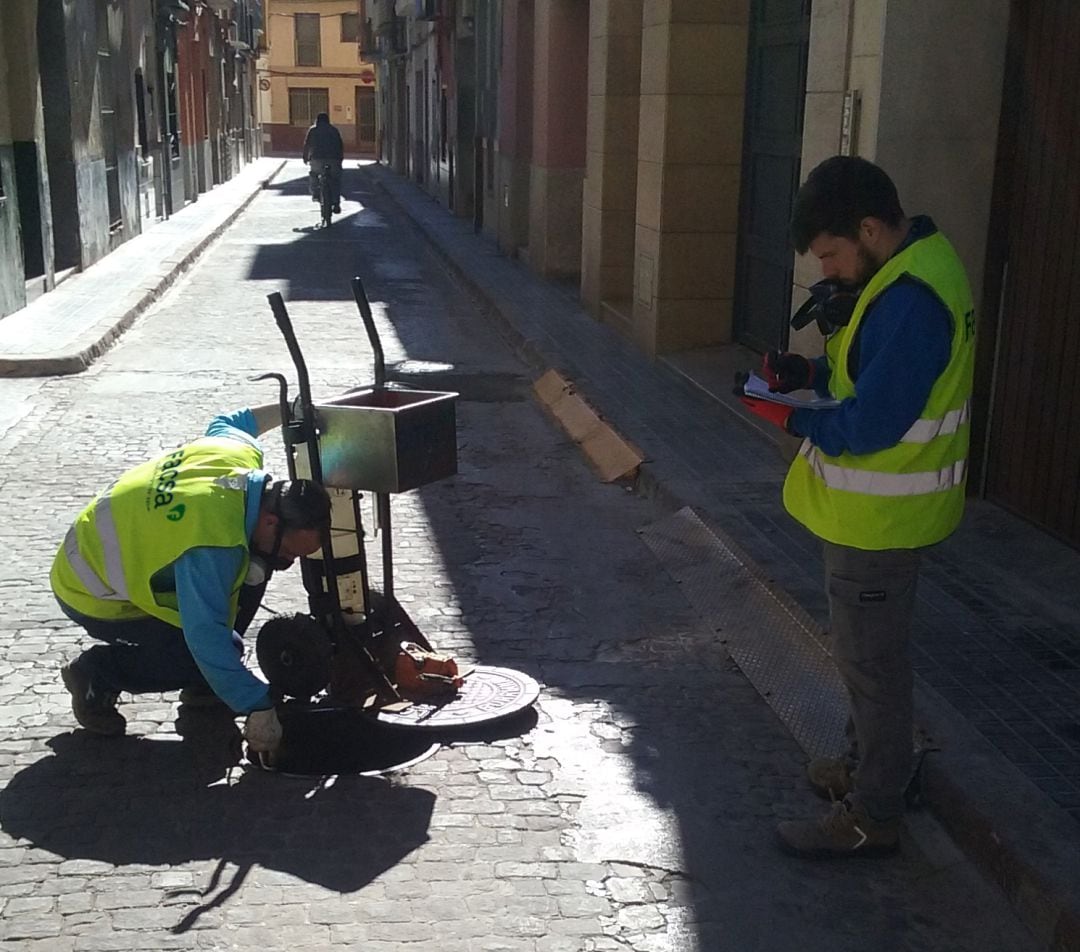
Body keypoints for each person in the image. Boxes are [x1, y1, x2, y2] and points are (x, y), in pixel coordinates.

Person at [740, 156, 976, 858]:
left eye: (834, 254)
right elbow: (867, 377)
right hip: (878, 519)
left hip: (881, 522)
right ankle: (869, 765)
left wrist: (787, 415)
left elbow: (871, 424)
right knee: (866, 658)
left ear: (870, 228)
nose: (832, 271)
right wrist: (807, 374)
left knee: (872, 667)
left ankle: (875, 813)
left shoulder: (911, 300)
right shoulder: (908, 273)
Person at [51, 406, 332, 764]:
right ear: (273, 520)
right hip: (92, 590)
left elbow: (233, 423)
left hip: (120, 546)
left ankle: (208, 686)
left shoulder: (237, 456)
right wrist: (256, 703)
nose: (288, 563)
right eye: (289, 552)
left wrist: (288, 409)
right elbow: (206, 637)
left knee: (254, 568)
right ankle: (95, 673)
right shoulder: (211, 545)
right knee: (201, 655)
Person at [302, 111, 343, 213]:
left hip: (317, 158)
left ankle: (316, 193)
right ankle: (336, 203)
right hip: (334, 159)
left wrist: (305, 157)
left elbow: (307, 145)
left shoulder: (313, 130)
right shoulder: (334, 130)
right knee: (335, 180)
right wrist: (340, 159)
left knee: (314, 175)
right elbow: (340, 145)